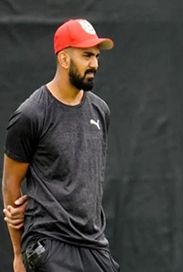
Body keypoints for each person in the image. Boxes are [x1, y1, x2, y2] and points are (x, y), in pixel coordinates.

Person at [2, 18, 120, 272]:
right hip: (50, 244)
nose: (94, 64)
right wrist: (18, 255)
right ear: (64, 59)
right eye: (86, 55)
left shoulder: (101, 110)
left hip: (95, 245)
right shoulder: (30, 115)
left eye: (97, 56)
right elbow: (10, 183)